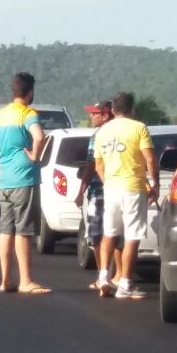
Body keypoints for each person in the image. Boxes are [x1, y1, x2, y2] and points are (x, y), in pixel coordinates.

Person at [0, 72, 51, 295]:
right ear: (30, 92)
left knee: (5, 230)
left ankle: (5, 279)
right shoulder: (28, 113)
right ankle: (26, 280)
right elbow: (40, 136)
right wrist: (35, 156)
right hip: (24, 178)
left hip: (5, 180)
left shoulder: (0, 115)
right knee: (24, 230)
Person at [93, 92, 157, 300]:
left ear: (112, 111)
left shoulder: (102, 131)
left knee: (109, 233)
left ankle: (104, 276)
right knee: (132, 236)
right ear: (132, 109)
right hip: (133, 187)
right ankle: (125, 284)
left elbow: (98, 165)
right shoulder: (139, 128)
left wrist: (107, 181)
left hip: (111, 187)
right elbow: (150, 159)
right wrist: (154, 184)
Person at [75, 101, 124, 288]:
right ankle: (118, 275)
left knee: (96, 234)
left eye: (94, 113)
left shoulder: (98, 136)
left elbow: (91, 166)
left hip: (100, 191)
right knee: (118, 232)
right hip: (121, 188)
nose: (90, 116)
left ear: (105, 115)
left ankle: (103, 275)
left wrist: (81, 191)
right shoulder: (123, 133)